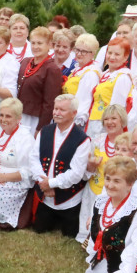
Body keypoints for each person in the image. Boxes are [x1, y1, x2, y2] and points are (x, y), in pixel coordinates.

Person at [53, 155, 137, 273]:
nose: (110, 185)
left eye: (117, 181)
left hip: (119, 268)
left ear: (130, 184)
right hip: (98, 262)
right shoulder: (101, 200)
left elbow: (133, 247)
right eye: (108, 179)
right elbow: (95, 230)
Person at [30, 94, 92, 236]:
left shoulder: (83, 140)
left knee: (69, 234)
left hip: (69, 200)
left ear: (74, 113)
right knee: (39, 229)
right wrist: (43, 183)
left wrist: (51, 183)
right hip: (45, 196)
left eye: (62, 110)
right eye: (55, 109)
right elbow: (34, 159)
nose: (57, 113)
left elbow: (76, 174)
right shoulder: (45, 131)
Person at [0, 97, 36, 231]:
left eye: (8, 116)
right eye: (1, 115)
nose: (3, 119)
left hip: (15, 182)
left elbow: (29, 171)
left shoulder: (25, 138)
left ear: (18, 118)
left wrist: (4, 177)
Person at [16, 26, 64, 133]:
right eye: (33, 43)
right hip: (19, 115)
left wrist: (41, 128)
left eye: (39, 43)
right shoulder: (25, 62)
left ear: (49, 45)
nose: (35, 47)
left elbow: (50, 102)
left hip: (35, 119)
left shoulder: (52, 68)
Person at [83, 37, 133, 137]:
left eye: (117, 54)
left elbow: (117, 109)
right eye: (109, 53)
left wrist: (109, 128)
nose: (112, 57)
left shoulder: (122, 77)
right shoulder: (106, 73)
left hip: (105, 126)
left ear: (125, 57)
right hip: (95, 121)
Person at [65, 33, 100, 102]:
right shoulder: (78, 68)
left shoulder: (90, 74)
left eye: (84, 51)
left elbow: (83, 103)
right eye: (77, 50)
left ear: (92, 53)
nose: (79, 54)